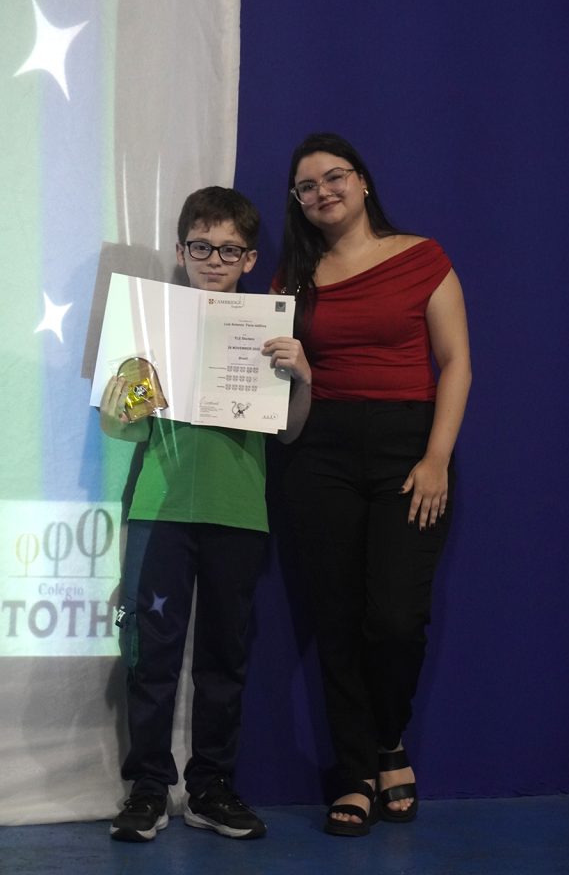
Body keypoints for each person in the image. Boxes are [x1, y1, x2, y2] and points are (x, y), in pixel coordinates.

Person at [270, 132, 472, 837]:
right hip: (317, 456)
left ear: (361, 181)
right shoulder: (293, 279)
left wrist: (436, 457)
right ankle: (356, 771)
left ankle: (389, 740)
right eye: (307, 186)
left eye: (334, 177)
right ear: (297, 201)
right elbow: (279, 382)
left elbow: (456, 362)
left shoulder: (423, 258)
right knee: (336, 618)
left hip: (407, 453)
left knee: (393, 620)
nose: (322, 192)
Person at [100, 186, 311, 843]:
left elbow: (290, 431)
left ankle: (211, 787)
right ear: (181, 251)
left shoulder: (270, 330)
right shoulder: (152, 325)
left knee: (224, 656)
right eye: (201, 247)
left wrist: (303, 376)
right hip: (160, 512)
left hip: (238, 516)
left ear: (249, 259)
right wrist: (122, 397)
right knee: (150, 656)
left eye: (228, 250)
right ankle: (147, 788)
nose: (214, 259)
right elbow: (120, 427)